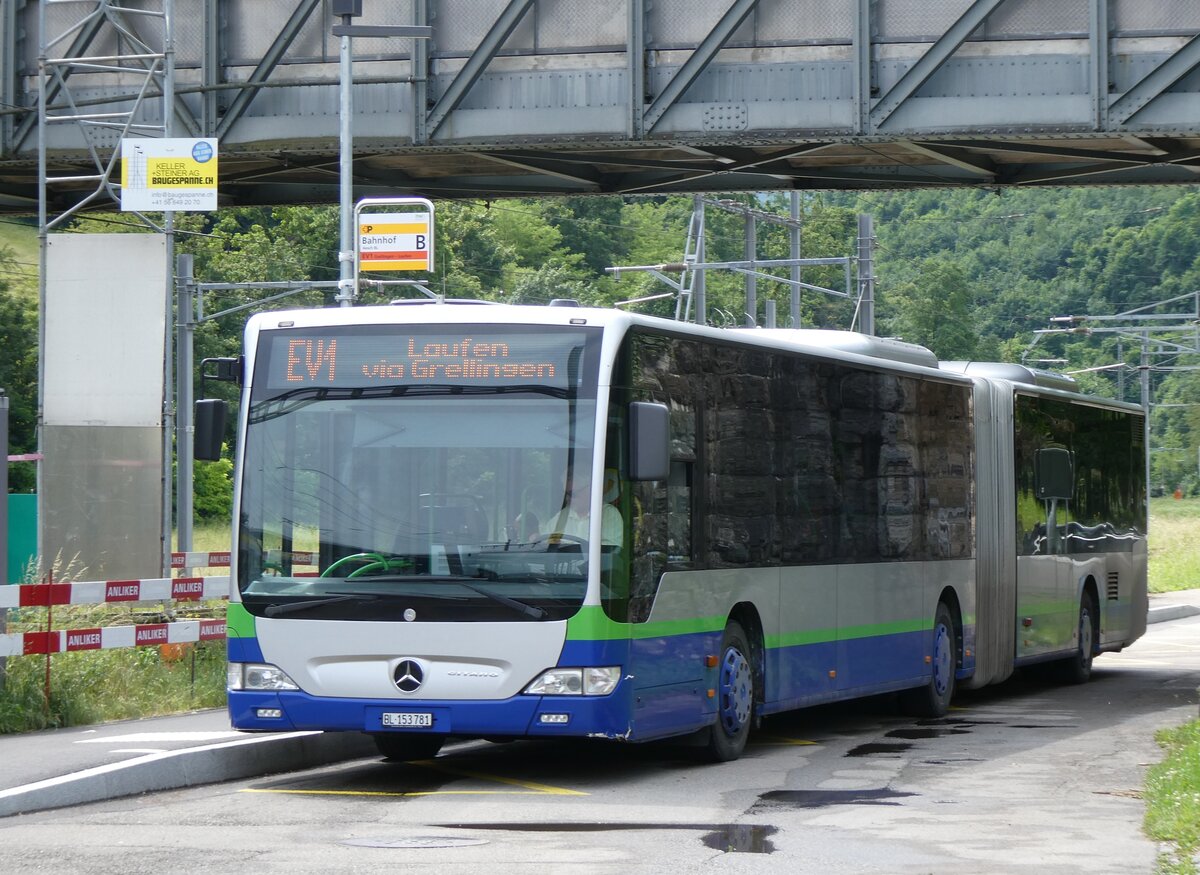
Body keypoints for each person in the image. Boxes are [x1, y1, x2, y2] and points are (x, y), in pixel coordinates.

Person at [546, 468, 623, 549]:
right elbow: (546, 546)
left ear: (589, 490)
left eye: (572, 494)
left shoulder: (608, 514)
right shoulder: (560, 518)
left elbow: (610, 551)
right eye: (565, 494)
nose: (567, 498)